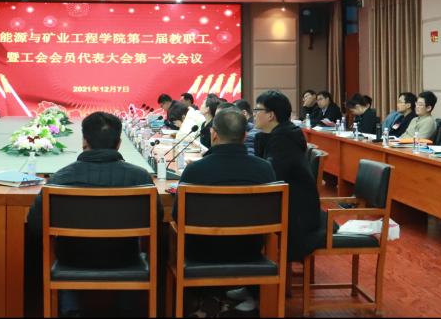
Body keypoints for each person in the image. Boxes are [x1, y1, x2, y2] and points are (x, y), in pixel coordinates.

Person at [26, 111, 157, 317]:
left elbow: (34, 224)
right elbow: (157, 220)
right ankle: (126, 310)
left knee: (62, 247)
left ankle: (71, 312)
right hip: (125, 258)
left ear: (84, 141)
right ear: (119, 143)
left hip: (72, 260)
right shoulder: (140, 178)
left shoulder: (60, 179)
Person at [177, 107, 276, 313]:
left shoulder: (195, 170)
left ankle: (194, 300)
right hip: (250, 252)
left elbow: (177, 216)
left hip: (201, 254)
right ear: (245, 136)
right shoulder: (264, 169)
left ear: (213, 134)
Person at [253, 91, 326, 263]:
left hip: (297, 214)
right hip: (289, 204)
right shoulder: (279, 134)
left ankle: (260, 273)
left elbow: (271, 177)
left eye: (257, 110)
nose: (254, 114)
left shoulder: (283, 140)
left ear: (270, 115)